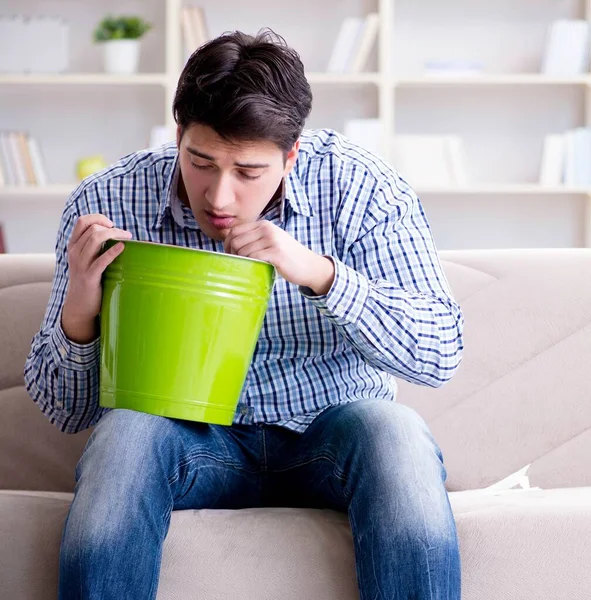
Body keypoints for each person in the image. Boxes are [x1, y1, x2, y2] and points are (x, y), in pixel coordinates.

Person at [25, 29, 464, 600]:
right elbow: (65, 413)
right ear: (178, 134)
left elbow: (441, 351)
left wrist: (321, 275)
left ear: (291, 155)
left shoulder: (361, 187)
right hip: (187, 442)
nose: (219, 198)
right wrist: (80, 312)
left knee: (395, 432)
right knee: (125, 433)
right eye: (200, 162)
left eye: (249, 173)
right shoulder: (108, 200)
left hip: (329, 435)